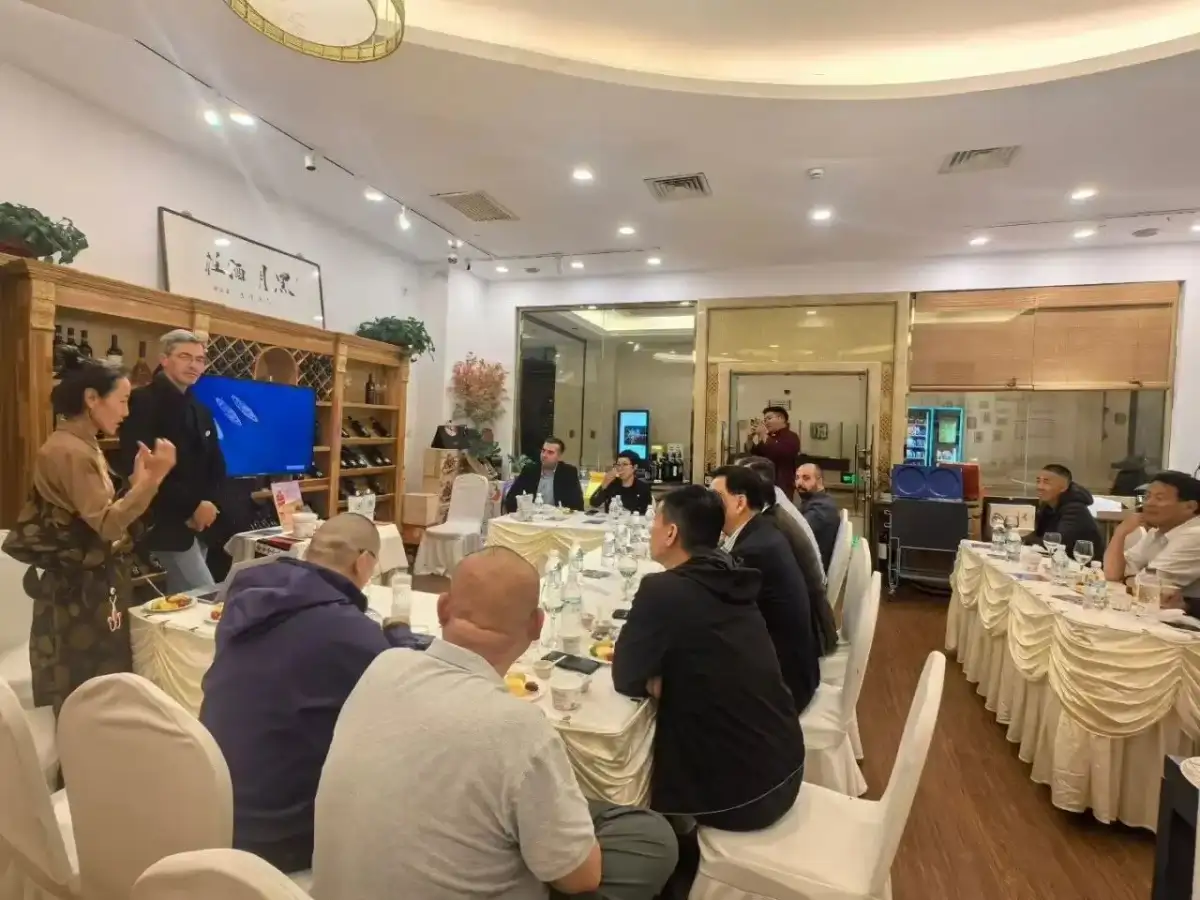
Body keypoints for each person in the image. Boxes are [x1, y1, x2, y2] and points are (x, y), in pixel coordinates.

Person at [313, 546, 678, 900]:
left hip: (337, 886)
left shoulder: (384, 665)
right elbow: (580, 880)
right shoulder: (520, 728)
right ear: (537, 625)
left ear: (443, 608)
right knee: (651, 839)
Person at [200, 514, 420, 874]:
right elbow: (407, 689)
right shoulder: (353, 634)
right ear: (364, 562)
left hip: (213, 803)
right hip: (279, 835)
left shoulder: (246, 596)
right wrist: (399, 634)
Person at [612, 485, 805, 833]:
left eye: (655, 521)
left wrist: (664, 681)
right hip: (784, 763)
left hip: (744, 797)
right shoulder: (729, 572)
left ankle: (672, 848)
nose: (651, 530)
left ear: (671, 533)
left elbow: (625, 675)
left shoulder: (663, 590)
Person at [2, 352, 176, 714]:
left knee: (98, 683)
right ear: (92, 398)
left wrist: (137, 485)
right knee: (87, 686)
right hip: (79, 590)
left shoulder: (82, 443)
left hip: (91, 582)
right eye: (122, 400)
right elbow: (107, 524)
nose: (126, 412)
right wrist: (152, 481)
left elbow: (98, 514)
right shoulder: (69, 451)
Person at [118, 329, 225, 592]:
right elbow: (140, 466)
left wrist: (209, 504)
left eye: (199, 359)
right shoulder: (142, 401)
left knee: (184, 603)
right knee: (208, 597)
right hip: (164, 521)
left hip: (201, 522)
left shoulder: (201, 409)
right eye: (185, 357)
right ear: (164, 359)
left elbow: (216, 462)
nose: (194, 365)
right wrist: (192, 507)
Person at [710, 466, 820, 712]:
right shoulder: (760, 530)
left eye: (716, 498)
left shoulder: (753, 551)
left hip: (781, 689)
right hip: (790, 667)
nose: (709, 505)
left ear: (740, 503)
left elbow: (718, 617)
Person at [737, 457, 838, 656]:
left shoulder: (775, 521)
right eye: (797, 477)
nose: (799, 483)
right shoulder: (780, 507)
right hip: (809, 617)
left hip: (807, 636)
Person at [1103, 470, 1200, 612]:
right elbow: (1112, 574)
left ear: (1190, 506)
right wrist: (1120, 533)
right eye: (1147, 497)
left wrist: (1128, 578)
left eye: (1159, 498)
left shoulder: (1195, 536)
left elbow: (1146, 588)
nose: (1148, 503)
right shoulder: (1157, 532)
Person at [1023, 464, 1105, 556]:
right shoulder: (1047, 506)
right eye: (1038, 481)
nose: (1040, 487)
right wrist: (1019, 539)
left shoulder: (1075, 509)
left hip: (1081, 562)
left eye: (1046, 482)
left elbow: (1059, 542)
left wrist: (1025, 541)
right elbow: (1039, 535)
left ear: (1063, 487)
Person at [503, 436, 585, 512]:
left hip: (558, 518)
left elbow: (577, 504)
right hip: (532, 518)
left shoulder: (568, 473)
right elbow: (511, 499)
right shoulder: (529, 471)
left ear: (559, 457)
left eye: (550, 452)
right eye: (543, 451)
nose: (544, 455)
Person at [795, 462, 841, 570]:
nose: (799, 483)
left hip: (811, 571)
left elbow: (797, 531)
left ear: (819, 481)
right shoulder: (817, 501)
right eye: (797, 478)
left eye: (806, 478)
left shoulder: (822, 508)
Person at [750, 406, 801, 500]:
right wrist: (750, 438)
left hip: (782, 483)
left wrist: (763, 435)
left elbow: (780, 453)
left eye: (769, 418)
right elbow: (755, 455)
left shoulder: (791, 437)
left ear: (781, 418)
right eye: (765, 420)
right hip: (764, 481)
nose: (766, 422)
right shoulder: (769, 436)